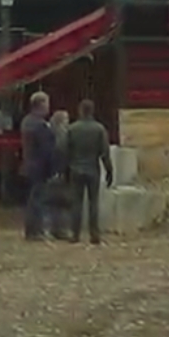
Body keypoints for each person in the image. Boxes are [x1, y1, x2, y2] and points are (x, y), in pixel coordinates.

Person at [66, 99, 114, 245]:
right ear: (92, 111)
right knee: (93, 203)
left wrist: (65, 169)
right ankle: (94, 234)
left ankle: (75, 234)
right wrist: (109, 170)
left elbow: (65, 150)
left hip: (75, 168)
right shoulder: (99, 129)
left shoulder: (72, 129)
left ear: (80, 110)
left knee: (76, 202)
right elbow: (105, 152)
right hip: (93, 168)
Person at [20, 91, 58, 241]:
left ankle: (31, 230)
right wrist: (52, 168)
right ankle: (36, 232)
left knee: (31, 199)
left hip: (28, 163)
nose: (49, 107)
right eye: (47, 103)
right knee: (38, 200)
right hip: (39, 166)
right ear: (41, 105)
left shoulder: (26, 121)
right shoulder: (40, 125)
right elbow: (46, 149)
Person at [48, 109, 73, 239]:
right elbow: (63, 152)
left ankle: (54, 228)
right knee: (63, 201)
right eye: (66, 119)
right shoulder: (63, 135)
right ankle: (62, 230)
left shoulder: (49, 132)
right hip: (61, 170)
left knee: (54, 203)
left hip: (51, 171)